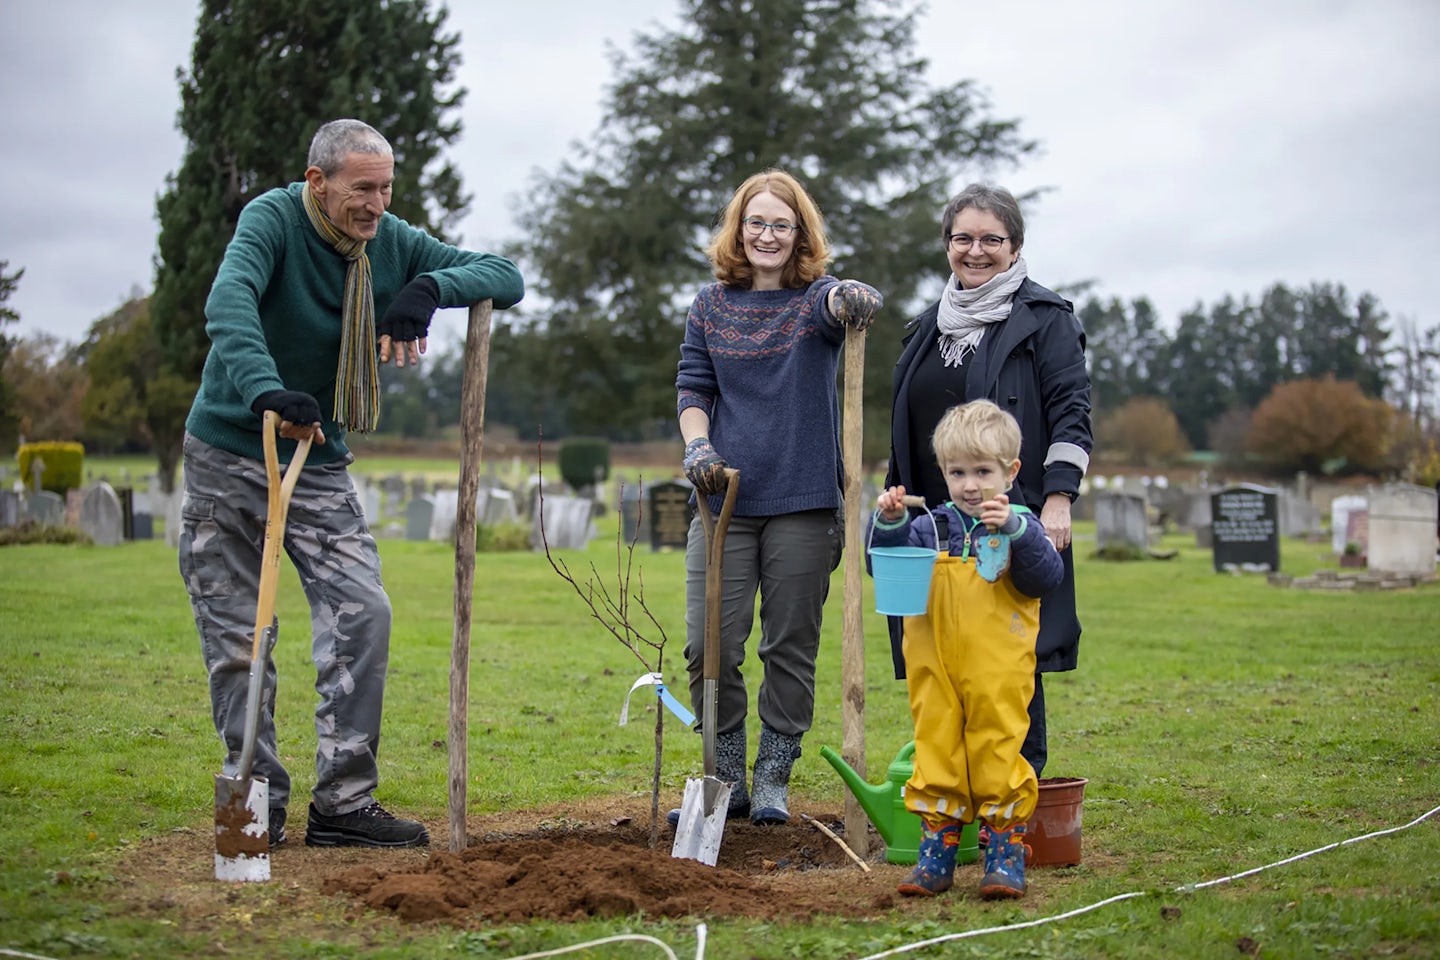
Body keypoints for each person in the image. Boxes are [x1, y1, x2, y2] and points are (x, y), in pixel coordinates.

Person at [178, 118, 524, 849]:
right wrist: (267, 392)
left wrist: (430, 285)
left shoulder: (389, 243)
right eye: (362, 188)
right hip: (231, 451)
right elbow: (228, 302)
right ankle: (258, 796)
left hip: (319, 461)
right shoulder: (272, 219)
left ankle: (343, 803)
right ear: (317, 183)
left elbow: (506, 276)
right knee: (242, 639)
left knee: (364, 612)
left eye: (386, 187)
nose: (375, 203)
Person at [671, 168, 882, 826]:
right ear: (739, 229)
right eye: (755, 223)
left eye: (781, 225)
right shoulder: (709, 306)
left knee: (788, 644)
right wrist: (698, 446)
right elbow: (693, 388)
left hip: (805, 502)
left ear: (800, 236)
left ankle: (771, 775)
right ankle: (726, 770)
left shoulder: (816, 302)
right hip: (724, 501)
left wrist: (852, 295)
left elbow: (840, 303)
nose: (766, 235)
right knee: (709, 642)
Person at [884, 183, 1092, 784]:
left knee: (1007, 655)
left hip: (1007, 515)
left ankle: (1014, 798)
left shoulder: (1044, 320)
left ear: (1015, 245)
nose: (976, 251)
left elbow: (1071, 410)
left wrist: (1057, 499)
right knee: (943, 657)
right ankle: (953, 795)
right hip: (937, 527)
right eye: (963, 238)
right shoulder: (926, 327)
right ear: (947, 244)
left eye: (991, 240)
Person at [872, 399, 1064, 898]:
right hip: (933, 667)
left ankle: (1004, 856)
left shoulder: (1021, 524)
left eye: (983, 471)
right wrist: (889, 524)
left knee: (997, 747)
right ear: (943, 472)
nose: (971, 485)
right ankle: (936, 858)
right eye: (958, 472)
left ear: (1010, 470)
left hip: (996, 670)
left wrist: (1018, 534)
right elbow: (884, 568)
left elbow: (1046, 578)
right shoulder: (928, 527)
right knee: (936, 748)